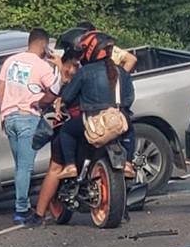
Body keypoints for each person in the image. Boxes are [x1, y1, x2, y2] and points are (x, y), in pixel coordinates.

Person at [54, 31, 136, 181]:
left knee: (66, 131)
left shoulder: (85, 72)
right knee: (130, 129)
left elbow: (68, 96)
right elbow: (129, 97)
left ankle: (70, 166)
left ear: (91, 50)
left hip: (91, 124)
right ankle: (128, 164)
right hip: (118, 121)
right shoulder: (121, 71)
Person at [0, 28, 55, 223]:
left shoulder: (10, 61)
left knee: (19, 165)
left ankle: (23, 203)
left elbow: (0, 87)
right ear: (44, 45)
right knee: (25, 167)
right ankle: (21, 208)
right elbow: (55, 88)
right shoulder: (42, 66)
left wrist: (3, 114)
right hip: (28, 117)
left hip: (10, 117)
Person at [23, 49, 81, 227]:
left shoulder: (67, 80)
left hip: (70, 125)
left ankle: (39, 215)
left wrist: (38, 104)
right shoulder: (98, 72)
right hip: (98, 124)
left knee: (55, 169)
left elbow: (49, 98)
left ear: (69, 65)